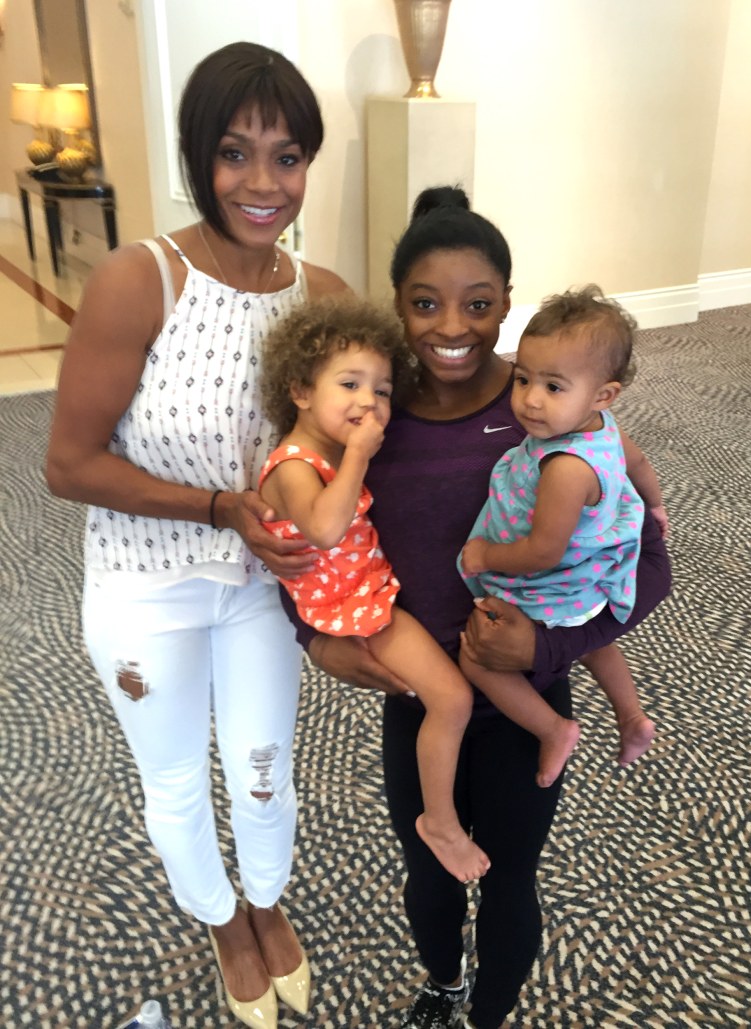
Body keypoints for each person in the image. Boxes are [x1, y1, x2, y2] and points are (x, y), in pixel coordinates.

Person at [280, 186, 671, 1029]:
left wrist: (548, 646)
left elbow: (647, 571)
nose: (452, 326)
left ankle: (489, 1014)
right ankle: (442, 979)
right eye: (425, 303)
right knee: (427, 869)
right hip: (420, 696)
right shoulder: (366, 418)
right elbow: (304, 537)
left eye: (479, 304)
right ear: (397, 307)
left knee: (511, 878)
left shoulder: (547, 410)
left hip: (529, 691)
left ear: (505, 303)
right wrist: (314, 639)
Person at [45, 42, 349, 1029]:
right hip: (147, 591)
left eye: (288, 155)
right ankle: (222, 923)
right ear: (195, 157)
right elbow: (69, 464)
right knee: (175, 778)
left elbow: (375, 429)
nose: (264, 183)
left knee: (264, 772)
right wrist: (223, 509)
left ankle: (267, 901)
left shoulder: (326, 293)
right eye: (235, 152)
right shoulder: (141, 280)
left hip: (263, 590)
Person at [258, 295, 490, 883]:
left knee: (454, 690)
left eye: (381, 390)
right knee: (453, 698)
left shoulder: (329, 449)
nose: (368, 401)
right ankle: (439, 821)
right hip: (356, 607)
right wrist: (359, 454)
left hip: (368, 590)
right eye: (350, 384)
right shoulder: (293, 463)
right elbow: (324, 526)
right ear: (301, 391)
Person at [458, 285, 667, 789]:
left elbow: (543, 551)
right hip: (594, 577)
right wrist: (655, 505)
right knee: (597, 642)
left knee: (475, 658)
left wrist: (485, 554)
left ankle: (553, 728)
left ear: (604, 394)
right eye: (523, 378)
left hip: (554, 581)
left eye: (554, 387)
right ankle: (632, 715)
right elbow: (636, 462)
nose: (530, 399)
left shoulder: (566, 468)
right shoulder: (602, 427)